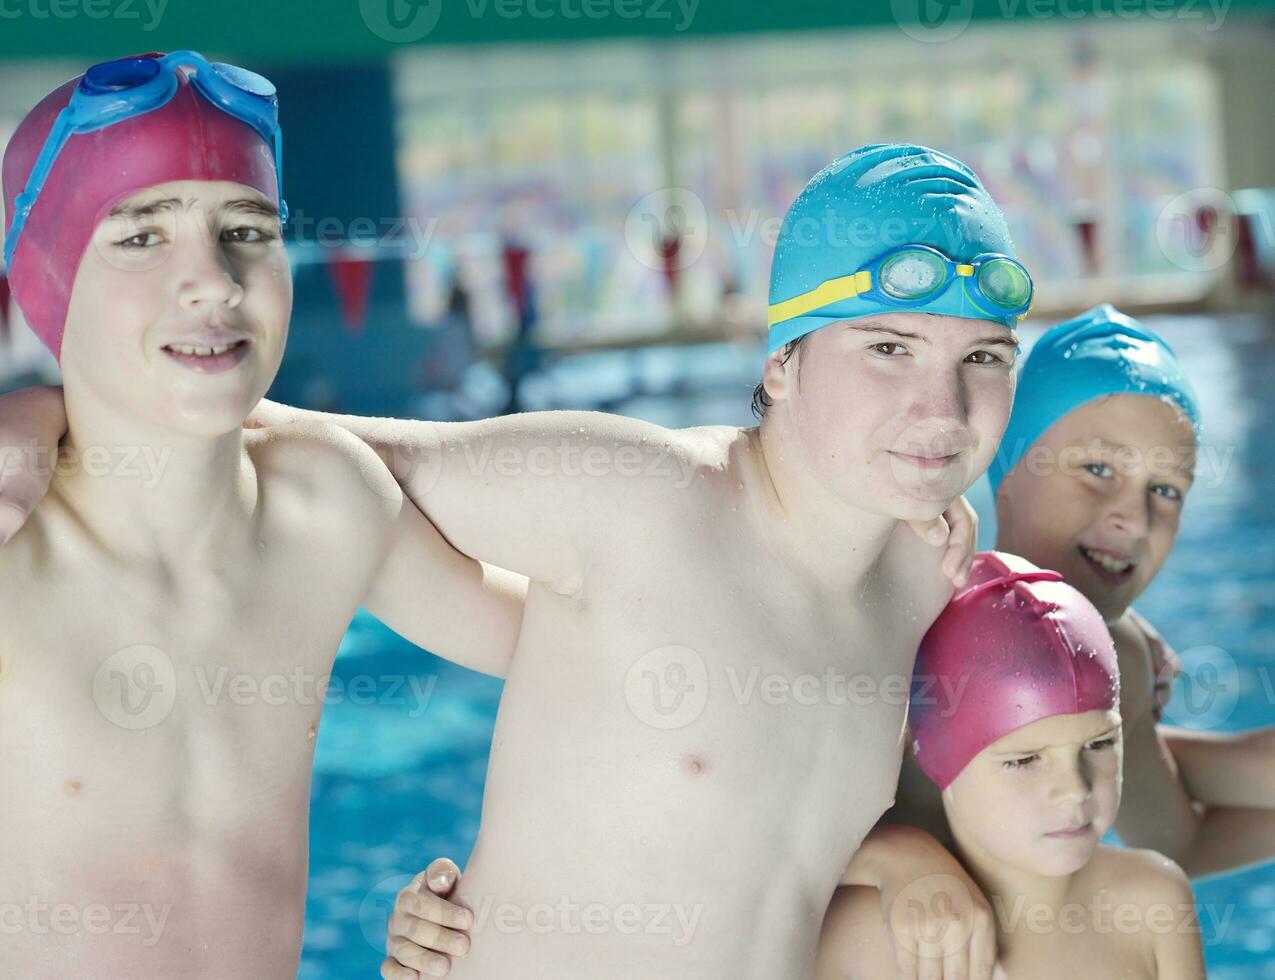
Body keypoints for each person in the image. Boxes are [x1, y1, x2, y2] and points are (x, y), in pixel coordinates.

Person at [3, 142, 1025, 979]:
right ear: (781, 364)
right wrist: (44, 409)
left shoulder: (925, 559)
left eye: (982, 358)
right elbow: (287, 443)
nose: (941, 409)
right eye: (887, 348)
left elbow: (778, 798)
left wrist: (907, 854)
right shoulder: (632, 496)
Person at [0, 52, 526, 977]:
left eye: (247, 228)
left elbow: (590, 655)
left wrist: (511, 883)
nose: (213, 280)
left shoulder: (325, 503)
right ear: (45, 277)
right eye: (139, 237)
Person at [890, 304, 1275, 880]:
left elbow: (1175, 844)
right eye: (1098, 469)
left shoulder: (1118, 652)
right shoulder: (908, 617)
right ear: (1005, 463)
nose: (1136, 520)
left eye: (1166, 489)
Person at [814, 552, 1206, 979]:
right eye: (1024, 760)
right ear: (937, 758)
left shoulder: (1155, 902)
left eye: (1099, 742)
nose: (1075, 787)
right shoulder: (881, 934)